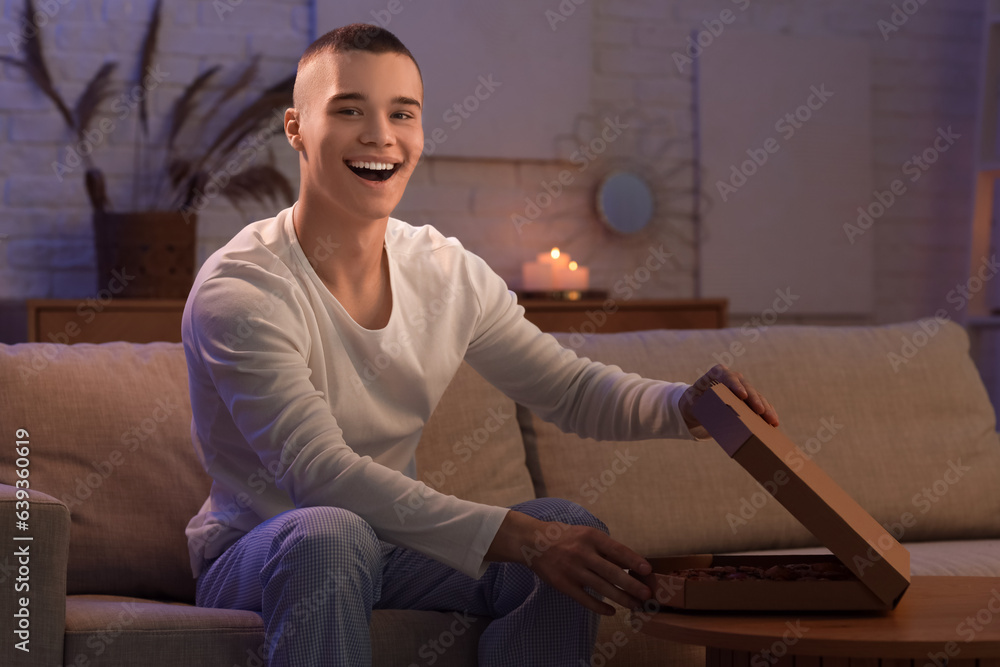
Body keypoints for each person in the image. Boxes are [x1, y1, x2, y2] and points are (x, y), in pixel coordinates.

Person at [182, 23, 779, 667]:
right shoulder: (243, 288)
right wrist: (527, 540)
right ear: (296, 128)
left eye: (401, 113)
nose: (380, 134)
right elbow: (320, 477)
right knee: (330, 532)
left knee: (570, 527)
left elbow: (569, 389)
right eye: (349, 109)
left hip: (388, 546)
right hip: (264, 552)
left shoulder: (445, 271)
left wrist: (683, 407)